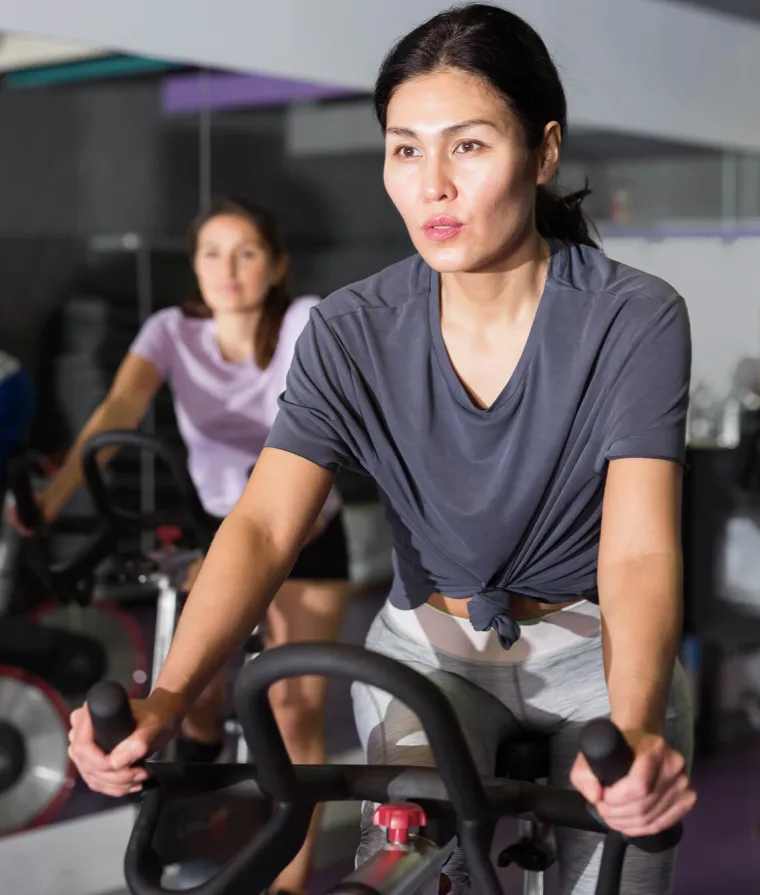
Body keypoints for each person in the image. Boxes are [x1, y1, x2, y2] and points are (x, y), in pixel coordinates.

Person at [67, 5, 697, 894]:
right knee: (398, 862)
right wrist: (168, 699)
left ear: (544, 151)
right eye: (406, 149)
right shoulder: (352, 329)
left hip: (597, 659)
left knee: (623, 857)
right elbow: (261, 525)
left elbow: (636, 547)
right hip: (432, 655)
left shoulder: (631, 316)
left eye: (468, 146)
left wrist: (634, 727)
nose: (431, 184)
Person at [15, 197, 350, 895]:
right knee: (193, 687)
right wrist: (52, 498)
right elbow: (116, 411)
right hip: (220, 531)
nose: (226, 269)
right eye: (210, 253)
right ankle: (200, 752)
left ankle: (290, 883)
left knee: (296, 709)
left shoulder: (303, 321)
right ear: (192, 266)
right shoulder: (170, 330)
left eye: (247, 252)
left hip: (310, 532)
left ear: (278, 265)